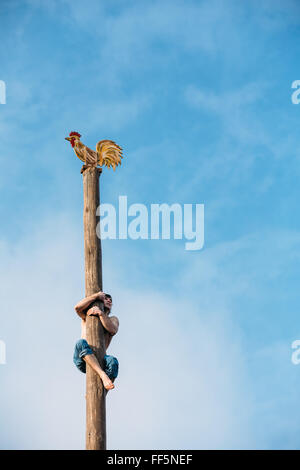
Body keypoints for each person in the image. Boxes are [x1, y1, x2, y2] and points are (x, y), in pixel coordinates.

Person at [73, 291, 119, 391]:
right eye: (106, 298)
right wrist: (96, 296)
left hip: (100, 358)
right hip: (83, 357)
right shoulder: (87, 315)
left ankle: (102, 393)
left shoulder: (113, 319)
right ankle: (103, 375)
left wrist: (100, 313)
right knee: (80, 343)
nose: (109, 300)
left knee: (113, 361)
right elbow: (77, 308)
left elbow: (112, 329)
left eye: (111, 300)